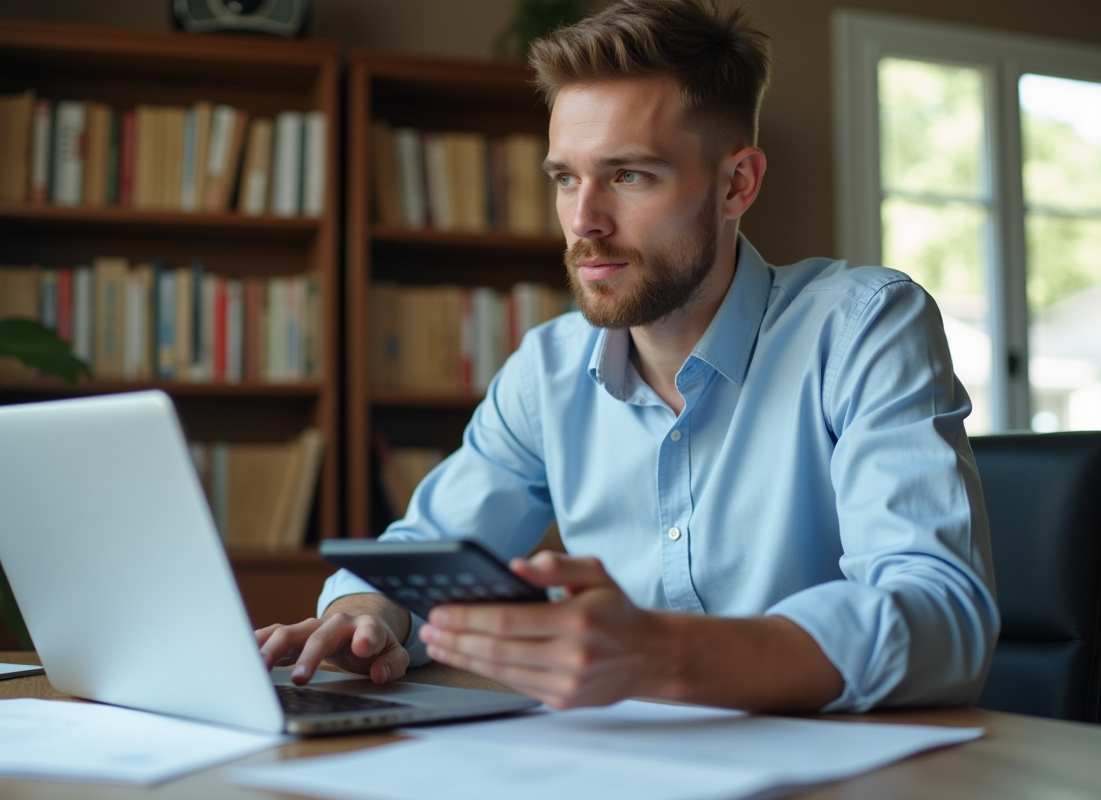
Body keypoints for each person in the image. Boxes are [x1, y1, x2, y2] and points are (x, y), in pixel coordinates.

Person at [257, 0, 999, 713]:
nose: (584, 221)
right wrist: (366, 617)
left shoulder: (864, 328)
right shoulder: (546, 372)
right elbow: (426, 552)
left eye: (629, 175)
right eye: (565, 178)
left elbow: (941, 617)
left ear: (736, 184)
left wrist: (661, 653)